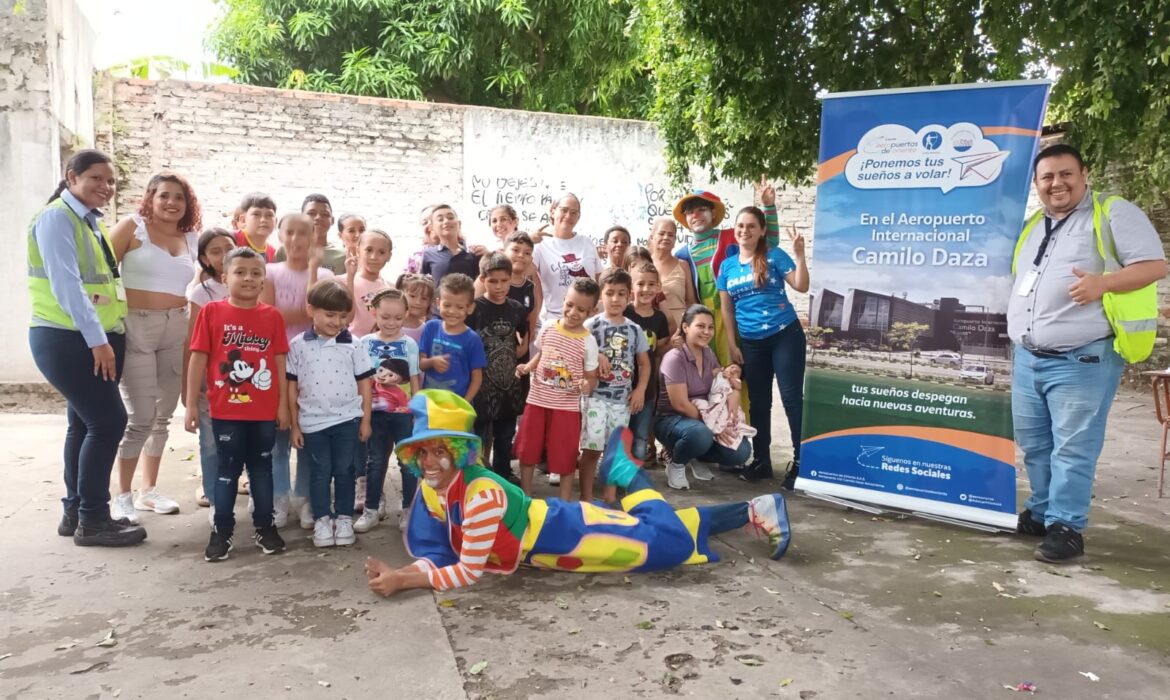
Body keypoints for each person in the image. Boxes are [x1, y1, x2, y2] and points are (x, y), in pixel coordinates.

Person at [364, 390, 792, 596]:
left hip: (565, 533)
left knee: (667, 543)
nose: (432, 462)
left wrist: (403, 579)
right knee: (663, 532)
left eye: (442, 450)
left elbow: (466, 572)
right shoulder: (433, 488)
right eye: (424, 452)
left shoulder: (480, 496)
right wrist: (408, 570)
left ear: (459, 453)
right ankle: (756, 509)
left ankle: (625, 472)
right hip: (548, 547)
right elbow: (438, 547)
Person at [1008, 144, 1166, 563]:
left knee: (1073, 446)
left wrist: (1103, 284)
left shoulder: (1112, 213)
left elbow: (1155, 265)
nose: (1056, 183)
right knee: (1035, 445)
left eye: (1065, 174)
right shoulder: (1033, 225)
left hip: (1083, 358)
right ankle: (1041, 512)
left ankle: (1067, 526)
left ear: (1084, 175)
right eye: (1047, 177)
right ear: (1038, 185)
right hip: (1028, 358)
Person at [28, 149, 147, 547]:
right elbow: (66, 286)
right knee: (108, 421)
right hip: (69, 338)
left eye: (111, 181)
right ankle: (94, 519)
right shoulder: (57, 219)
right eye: (97, 178)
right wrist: (99, 341)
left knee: (83, 423)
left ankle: (76, 510)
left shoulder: (88, 221)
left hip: (93, 336)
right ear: (71, 176)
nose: (106, 187)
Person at [106, 171, 201, 522]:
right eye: (164, 195)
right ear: (150, 197)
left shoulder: (191, 238)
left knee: (162, 415)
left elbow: (210, 277)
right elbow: (101, 272)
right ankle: (122, 495)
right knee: (140, 416)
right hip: (136, 326)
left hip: (176, 326)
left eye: (179, 197)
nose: (172, 203)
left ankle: (149, 490)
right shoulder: (132, 227)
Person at [184, 247, 290, 561]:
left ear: (263, 280)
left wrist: (283, 405)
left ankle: (265, 526)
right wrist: (191, 403)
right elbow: (197, 358)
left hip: (263, 413)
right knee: (226, 469)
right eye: (240, 272)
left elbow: (280, 363)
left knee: (262, 469)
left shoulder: (272, 316)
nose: (248, 278)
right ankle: (221, 530)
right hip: (225, 412)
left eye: (256, 273)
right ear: (224, 277)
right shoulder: (211, 312)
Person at [717, 206, 809, 486]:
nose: (744, 231)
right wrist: (733, 344)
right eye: (740, 226)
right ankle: (762, 462)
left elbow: (802, 286)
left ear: (761, 231)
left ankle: (802, 462)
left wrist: (800, 255)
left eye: (751, 226)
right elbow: (727, 311)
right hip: (751, 343)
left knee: (791, 399)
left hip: (785, 335)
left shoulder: (774, 256)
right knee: (759, 403)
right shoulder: (727, 266)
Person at [261, 214, 336, 528]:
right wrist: (306, 310)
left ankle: (304, 497)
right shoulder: (268, 272)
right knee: (277, 436)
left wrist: (315, 271)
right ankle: (278, 497)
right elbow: (271, 317)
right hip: (277, 362)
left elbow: (321, 314)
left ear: (314, 236)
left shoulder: (328, 274)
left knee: (308, 433)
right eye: (289, 232)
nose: (295, 239)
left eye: (302, 233)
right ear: (279, 236)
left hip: (315, 364)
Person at [288, 280, 375, 548]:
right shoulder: (298, 345)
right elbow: (291, 387)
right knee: (320, 472)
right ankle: (322, 520)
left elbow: (365, 384)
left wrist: (366, 419)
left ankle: (344, 518)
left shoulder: (354, 344)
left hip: (347, 419)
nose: (336, 321)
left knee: (345, 470)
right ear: (311, 310)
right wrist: (294, 425)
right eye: (329, 314)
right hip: (312, 422)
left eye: (342, 316)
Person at [672, 180, 780, 366]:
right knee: (710, 368)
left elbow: (770, 241)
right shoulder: (682, 255)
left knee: (741, 366)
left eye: (701, 209)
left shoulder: (733, 236)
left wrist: (768, 206)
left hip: (736, 312)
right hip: (704, 319)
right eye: (690, 212)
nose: (695, 215)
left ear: (713, 213)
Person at [514, 277, 601, 499]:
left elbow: (592, 376)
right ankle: (525, 495)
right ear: (564, 299)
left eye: (581, 309)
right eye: (569, 305)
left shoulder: (588, 342)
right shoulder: (549, 327)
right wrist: (528, 367)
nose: (573, 312)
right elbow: (543, 354)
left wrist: (587, 384)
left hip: (567, 407)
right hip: (537, 400)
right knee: (528, 450)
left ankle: (564, 501)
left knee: (565, 454)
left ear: (591, 311)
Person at [655, 305, 752, 490]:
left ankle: (694, 456)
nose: (707, 332)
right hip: (671, 420)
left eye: (710, 327)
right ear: (685, 328)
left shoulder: (708, 353)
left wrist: (733, 397)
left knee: (741, 452)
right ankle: (676, 462)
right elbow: (680, 404)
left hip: (704, 417)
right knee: (699, 434)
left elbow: (722, 384)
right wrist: (714, 425)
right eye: (700, 326)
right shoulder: (675, 358)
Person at [583, 268, 650, 503]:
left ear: (629, 297)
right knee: (592, 450)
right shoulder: (590, 325)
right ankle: (587, 498)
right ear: (601, 295)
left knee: (616, 451)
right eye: (609, 293)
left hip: (622, 402)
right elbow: (578, 352)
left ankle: (609, 499)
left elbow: (644, 363)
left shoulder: (635, 329)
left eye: (621, 294)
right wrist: (597, 354)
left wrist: (640, 389)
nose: (615, 299)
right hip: (595, 399)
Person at [357, 288, 421, 531]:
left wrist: (418, 411)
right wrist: (362, 412)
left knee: (408, 463)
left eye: (397, 318)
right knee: (374, 462)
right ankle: (371, 509)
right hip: (374, 414)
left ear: (406, 314)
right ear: (374, 313)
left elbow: (414, 379)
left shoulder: (409, 344)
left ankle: (408, 511)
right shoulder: (364, 343)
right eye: (385, 317)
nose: (391, 323)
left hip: (404, 415)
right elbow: (362, 380)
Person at [185, 228, 235, 512]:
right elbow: (193, 346)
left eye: (228, 248)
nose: (224, 256)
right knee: (211, 442)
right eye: (215, 251)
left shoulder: (250, 283)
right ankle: (217, 503)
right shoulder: (202, 294)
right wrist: (189, 394)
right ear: (203, 258)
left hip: (243, 382)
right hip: (211, 382)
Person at [468, 253, 529, 482]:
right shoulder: (475, 308)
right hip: (481, 386)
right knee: (480, 436)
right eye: (493, 281)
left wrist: (521, 350)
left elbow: (524, 334)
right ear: (483, 279)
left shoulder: (516, 308)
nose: (499, 286)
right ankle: (477, 479)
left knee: (505, 437)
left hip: (508, 386)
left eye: (504, 280)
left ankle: (503, 477)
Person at [624, 260, 671, 462]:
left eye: (652, 284)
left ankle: (636, 476)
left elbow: (658, 350)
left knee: (641, 438)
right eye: (640, 283)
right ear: (632, 287)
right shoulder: (624, 312)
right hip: (620, 386)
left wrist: (671, 345)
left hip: (647, 388)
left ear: (658, 287)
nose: (646, 289)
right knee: (620, 435)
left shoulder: (660, 318)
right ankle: (617, 476)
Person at [531, 193, 603, 323]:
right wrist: (528, 242)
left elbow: (601, 279)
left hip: (587, 321)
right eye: (564, 210)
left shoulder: (586, 242)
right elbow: (518, 271)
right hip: (556, 320)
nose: (568, 216)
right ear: (553, 212)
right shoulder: (540, 245)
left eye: (574, 212)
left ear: (578, 217)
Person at [419, 273, 487, 401]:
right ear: (438, 303)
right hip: (429, 404)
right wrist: (432, 362)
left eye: (460, 307)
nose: (452, 311)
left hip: (456, 408)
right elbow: (420, 364)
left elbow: (477, 378)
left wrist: (464, 404)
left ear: (470, 308)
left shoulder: (473, 339)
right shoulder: (430, 327)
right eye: (447, 305)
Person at [421, 205, 482, 310]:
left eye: (450, 217)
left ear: (459, 223)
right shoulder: (428, 254)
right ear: (432, 228)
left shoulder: (473, 254)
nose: (446, 221)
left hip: (465, 314)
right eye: (440, 219)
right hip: (439, 313)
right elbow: (424, 285)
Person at [648, 216, 696, 339]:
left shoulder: (683, 265)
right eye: (662, 233)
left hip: (679, 331)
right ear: (652, 237)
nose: (666, 237)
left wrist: (688, 328)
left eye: (671, 235)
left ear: (675, 240)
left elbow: (690, 301)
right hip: (650, 331)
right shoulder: (643, 263)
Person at [346, 229, 393, 336]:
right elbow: (346, 317)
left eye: (381, 252)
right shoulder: (344, 281)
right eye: (369, 250)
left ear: (389, 256)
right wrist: (350, 278)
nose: (374, 257)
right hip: (351, 344)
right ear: (358, 251)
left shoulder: (391, 288)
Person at [233, 192, 278, 262]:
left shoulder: (273, 253)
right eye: (256, 214)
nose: (263, 220)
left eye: (269, 215)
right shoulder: (232, 239)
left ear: (276, 222)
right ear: (243, 220)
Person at [398, 273, 435, 344]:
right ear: (401, 294)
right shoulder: (390, 323)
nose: (418, 302)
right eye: (412, 296)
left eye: (424, 298)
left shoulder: (426, 330)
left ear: (429, 302)